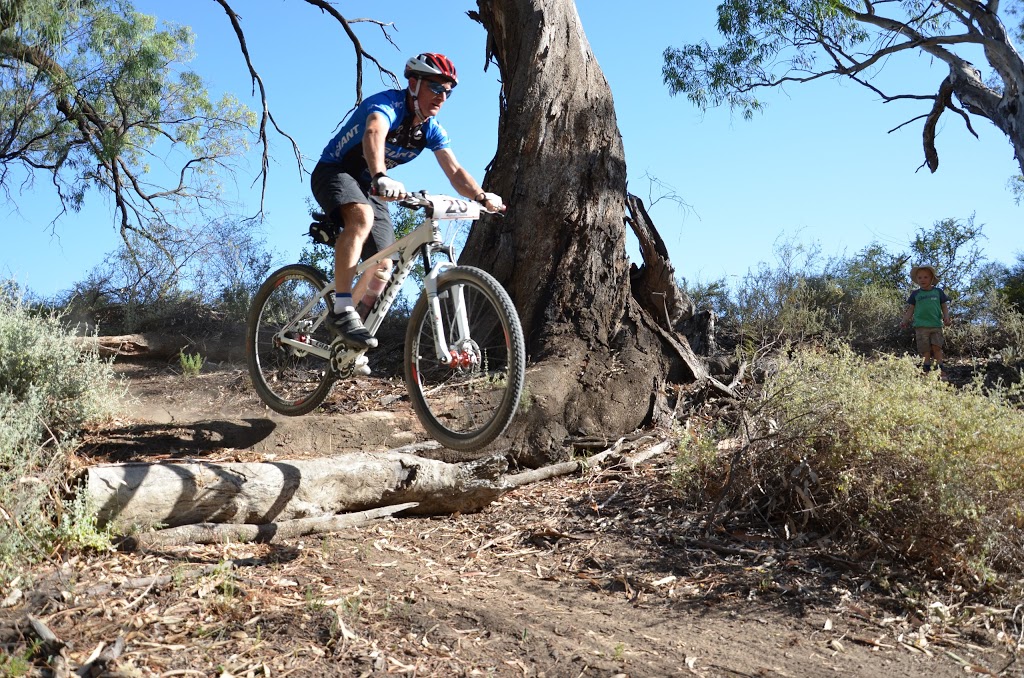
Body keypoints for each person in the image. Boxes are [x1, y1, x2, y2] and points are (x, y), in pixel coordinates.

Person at [311, 52, 504, 350]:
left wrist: (480, 196)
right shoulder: (387, 105)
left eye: (447, 93)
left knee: (383, 265)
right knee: (362, 218)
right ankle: (342, 306)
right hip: (335, 172)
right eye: (436, 88)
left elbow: (453, 170)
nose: (442, 97)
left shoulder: (429, 129)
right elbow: (374, 132)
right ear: (413, 84)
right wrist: (380, 176)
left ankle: (351, 336)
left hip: (371, 184)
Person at [900, 264, 951, 373]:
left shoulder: (938, 292)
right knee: (925, 350)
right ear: (916, 280)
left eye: (925, 277)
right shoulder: (915, 294)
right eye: (920, 278)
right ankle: (926, 370)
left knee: (937, 347)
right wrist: (905, 320)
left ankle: (940, 369)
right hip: (921, 326)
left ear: (931, 278)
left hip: (936, 325)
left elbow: (944, 306)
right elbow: (910, 310)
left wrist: (946, 317)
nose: (922, 280)